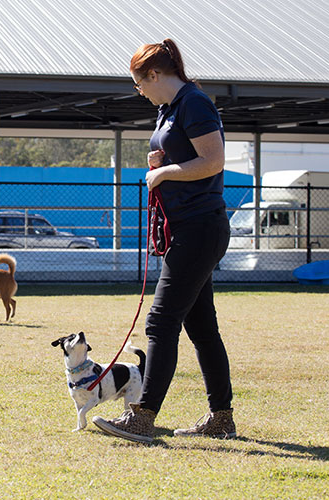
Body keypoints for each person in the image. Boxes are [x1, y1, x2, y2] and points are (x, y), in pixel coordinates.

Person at [93, 39, 235, 444]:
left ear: (154, 74)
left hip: (199, 228)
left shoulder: (194, 102)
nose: (140, 92)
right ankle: (221, 418)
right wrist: (162, 164)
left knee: (161, 321)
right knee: (202, 327)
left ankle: (143, 417)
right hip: (184, 227)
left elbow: (213, 160)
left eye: (140, 84)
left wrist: (165, 173)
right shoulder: (168, 109)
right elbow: (183, 155)